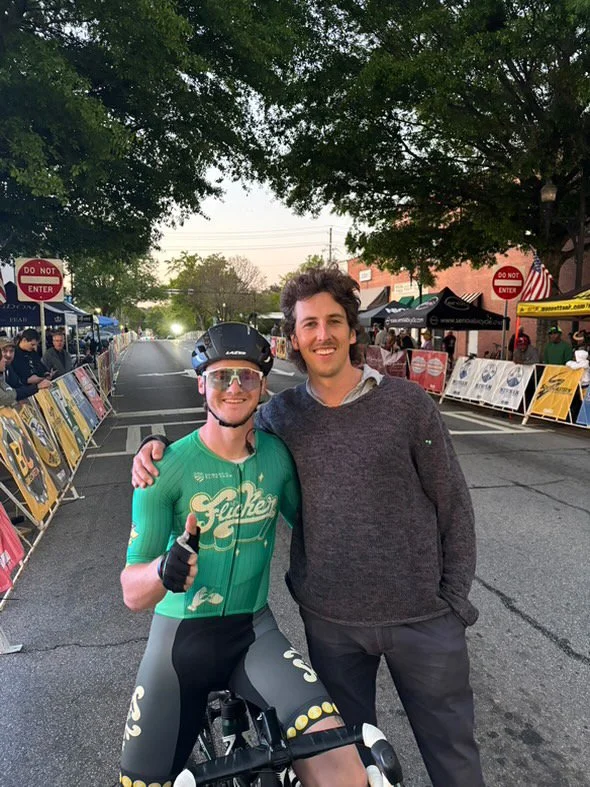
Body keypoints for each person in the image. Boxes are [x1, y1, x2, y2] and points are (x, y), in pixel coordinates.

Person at [133, 269, 484, 787]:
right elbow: (223, 432)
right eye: (310, 324)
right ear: (293, 337)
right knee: (352, 766)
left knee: (454, 760)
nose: (323, 335)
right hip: (332, 622)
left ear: (352, 328)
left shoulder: (408, 405)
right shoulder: (280, 416)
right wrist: (156, 446)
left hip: (424, 619)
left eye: (335, 321)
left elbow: (453, 501)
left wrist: (453, 600)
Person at [120, 322, 366, 787]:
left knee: (343, 769)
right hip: (179, 645)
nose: (234, 387)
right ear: (201, 384)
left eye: (247, 377)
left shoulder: (277, 457)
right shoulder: (164, 469)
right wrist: (163, 568)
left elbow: (316, 524)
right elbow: (132, 593)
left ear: (263, 385)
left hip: (255, 633)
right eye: (221, 377)